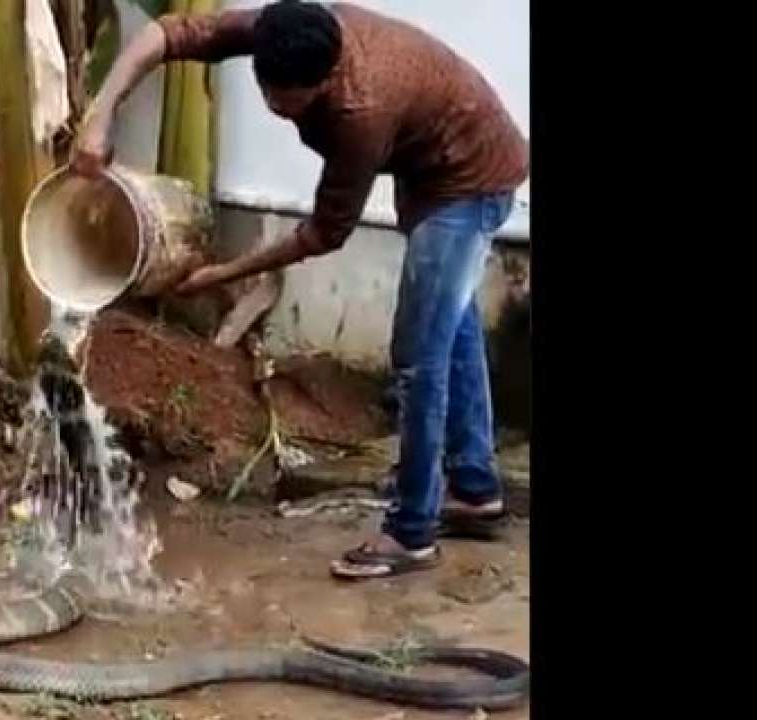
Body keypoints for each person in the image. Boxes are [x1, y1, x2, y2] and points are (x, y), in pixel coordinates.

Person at [72, 0, 528, 579]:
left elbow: (324, 233)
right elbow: (166, 32)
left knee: (418, 357)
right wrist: (101, 113)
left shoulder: (361, 110)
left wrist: (221, 274)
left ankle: (410, 532)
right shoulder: (278, 29)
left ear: (327, 81)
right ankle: (474, 489)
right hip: (432, 163)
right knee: (450, 322)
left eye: (287, 100)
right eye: (265, 87)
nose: (272, 106)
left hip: (468, 180)